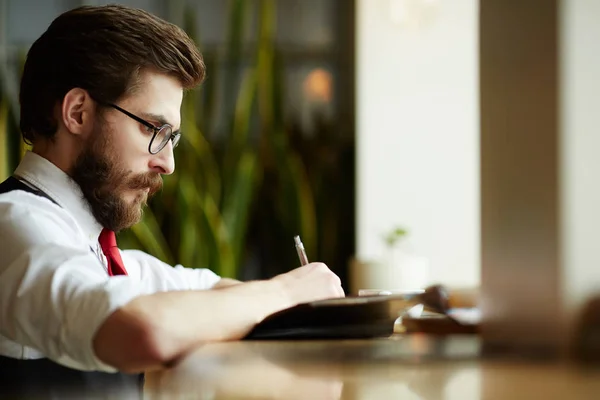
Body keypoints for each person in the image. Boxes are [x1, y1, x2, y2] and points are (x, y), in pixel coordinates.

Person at [0, 3, 344, 389]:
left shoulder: (97, 254)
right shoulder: (13, 224)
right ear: (78, 113)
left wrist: (300, 298)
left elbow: (210, 293)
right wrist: (287, 290)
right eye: (155, 130)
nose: (168, 163)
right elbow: (145, 330)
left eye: (172, 137)